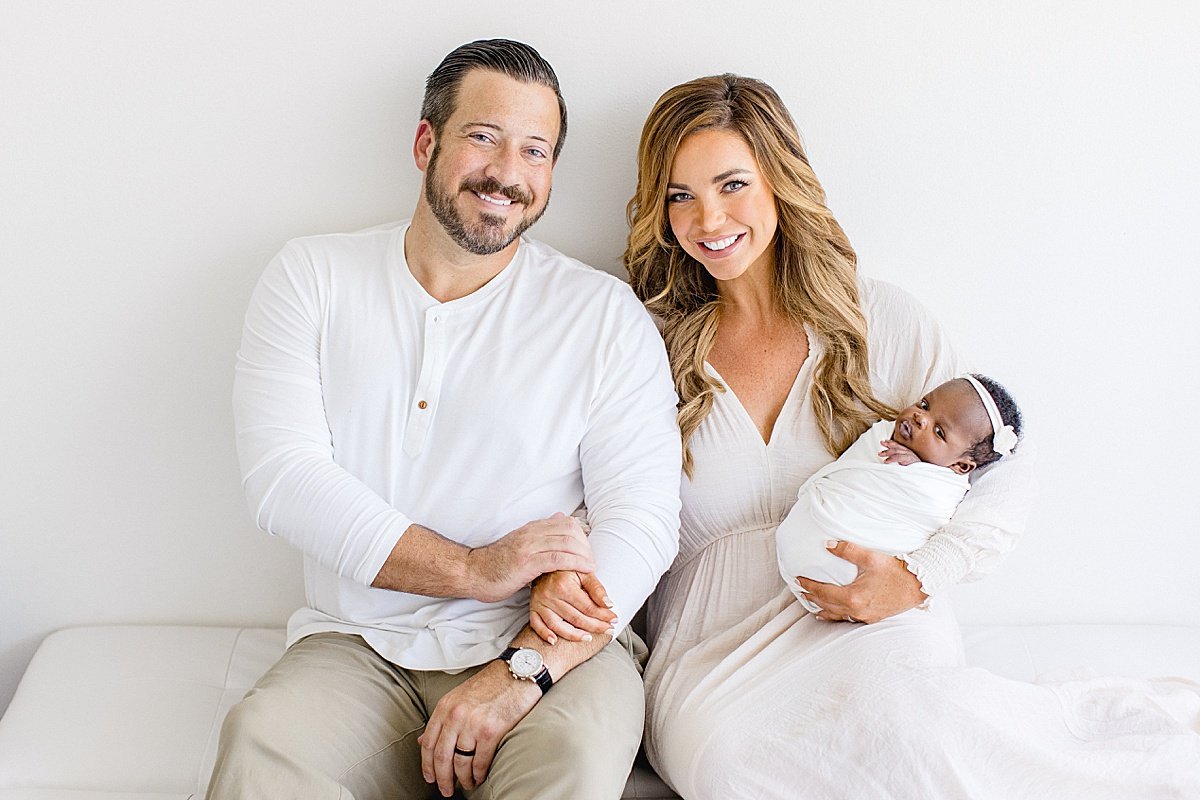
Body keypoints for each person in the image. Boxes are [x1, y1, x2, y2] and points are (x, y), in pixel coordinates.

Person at [623, 73, 1199, 799]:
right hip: (713, 652)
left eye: (732, 184)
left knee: (914, 736)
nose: (708, 217)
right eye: (680, 195)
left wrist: (919, 579)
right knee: (738, 768)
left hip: (873, 621)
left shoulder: (880, 319)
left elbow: (1007, 475)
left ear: (779, 180)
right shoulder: (645, 343)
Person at [209, 40, 681, 800]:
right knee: (262, 749)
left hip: (548, 650)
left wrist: (524, 667)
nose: (507, 174)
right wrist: (476, 569)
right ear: (428, 141)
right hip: (361, 646)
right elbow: (283, 481)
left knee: (572, 765)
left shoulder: (602, 316)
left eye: (536, 150)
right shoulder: (312, 278)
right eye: (484, 137)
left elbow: (647, 518)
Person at [777, 374, 1022, 613]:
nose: (920, 418)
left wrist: (914, 468)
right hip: (801, 550)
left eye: (939, 432)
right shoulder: (882, 435)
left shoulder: (943, 487)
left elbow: (930, 512)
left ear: (960, 466)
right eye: (924, 405)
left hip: (864, 579)